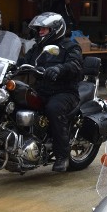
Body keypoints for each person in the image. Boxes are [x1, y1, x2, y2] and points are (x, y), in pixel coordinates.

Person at [21, 12, 83, 172]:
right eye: (39, 29)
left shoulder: (70, 46)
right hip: (42, 89)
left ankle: (62, 155)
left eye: (44, 29)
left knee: (53, 109)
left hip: (64, 92)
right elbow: (23, 61)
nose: (40, 31)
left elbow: (75, 65)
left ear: (55, 30)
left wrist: (59, 68)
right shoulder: (37, 48)